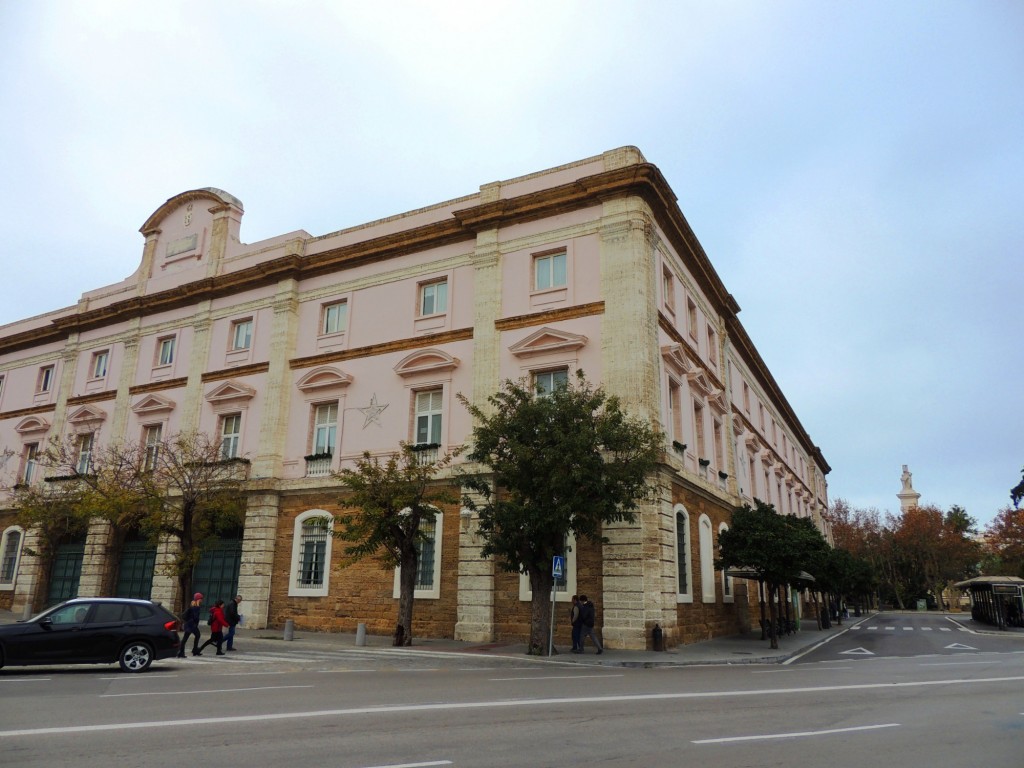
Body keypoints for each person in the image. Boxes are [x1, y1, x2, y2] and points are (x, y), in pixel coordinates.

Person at [178, 593, 203, 658]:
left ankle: (185, 651)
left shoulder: (192, 605)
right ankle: (185, 652)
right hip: (191, 625)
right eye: (201, 599)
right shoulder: (195, 607)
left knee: (187, 638)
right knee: (190, 637)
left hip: (189, 624)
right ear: (198, 599)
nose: (202, 600)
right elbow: (196, 617)